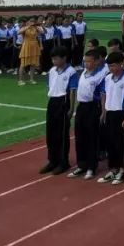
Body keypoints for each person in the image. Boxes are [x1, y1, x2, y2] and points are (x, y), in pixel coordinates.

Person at [98, 51, 124, 185]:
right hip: (110, 113)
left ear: (121, 64)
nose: (111, 69)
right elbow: (103, 94)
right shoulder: (108, 78)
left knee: (121, 143)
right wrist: (103, 111)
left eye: (114, 65)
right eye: (109, 66)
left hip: (121, 113)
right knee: (110, 143)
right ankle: (112, 169)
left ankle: (121, 170)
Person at [39, 47, 79, 176]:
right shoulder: (52, 71)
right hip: (53, 101)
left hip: (64, 102)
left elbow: (72, 91)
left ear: (64, 58)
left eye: (56, 58)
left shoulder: (71, 72)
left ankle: (63, 162)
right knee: (50, 133)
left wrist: (71, 108)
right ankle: (52, 160)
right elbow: (49, 86)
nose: (54, 61)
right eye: (53, 58)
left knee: (61, 134)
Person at [68, 49, 106, 180]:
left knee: (91, 137)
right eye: (84, 61)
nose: (86, 64)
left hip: (92, 107)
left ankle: (91, 167)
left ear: (95, 62)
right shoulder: (83, 72)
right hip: (81, 107)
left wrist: (103, 112)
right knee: (80, 137)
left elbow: (102, 94)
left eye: (89, 61)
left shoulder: (100, 76)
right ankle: (81, 165)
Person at [17, 17, 42, 85]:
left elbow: (42, 32)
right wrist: (28, 26)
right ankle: (20, 80)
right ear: (28, 22)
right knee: (23, 64)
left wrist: (38, 26)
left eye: (33, 21)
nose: (32, 22)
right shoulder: (24, 27)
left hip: (34, 46)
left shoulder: (36, 28)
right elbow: (18, 32)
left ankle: (31, 79)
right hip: (26, 46)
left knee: (33, 64)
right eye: (31, 21)